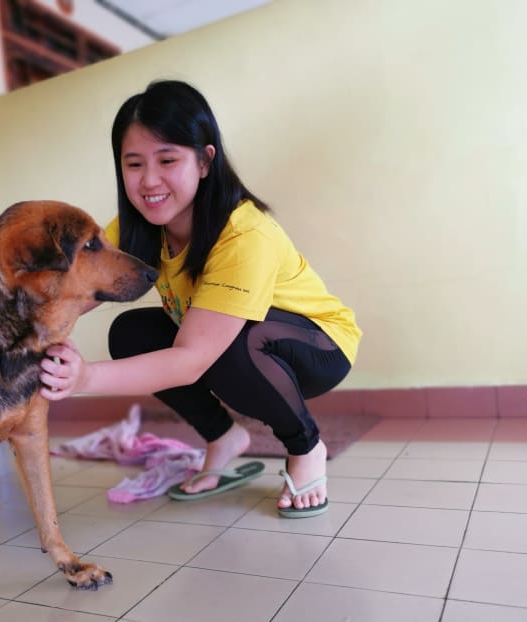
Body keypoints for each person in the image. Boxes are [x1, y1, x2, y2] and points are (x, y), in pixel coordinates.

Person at [40, 79, 361, 517]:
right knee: (132, 332)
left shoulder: (244, 234)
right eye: (133, 164)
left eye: (167, 160)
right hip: (236, 340)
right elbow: (78, 291)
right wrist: (28, 331)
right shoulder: (136, 228)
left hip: (321, 345)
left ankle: (306, 445)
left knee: (228, 347)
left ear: (205, 161)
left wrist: (84, 379)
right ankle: (224, 437)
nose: (148, 180)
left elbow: (192, 358)